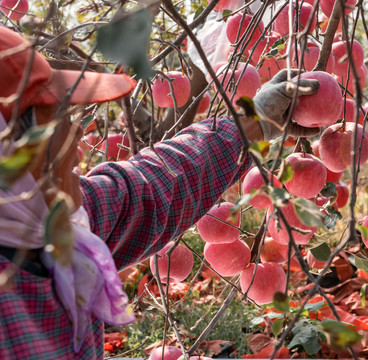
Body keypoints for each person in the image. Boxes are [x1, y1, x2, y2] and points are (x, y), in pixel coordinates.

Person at [0, 26, 319, 359]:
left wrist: (257, 122)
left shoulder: (48, 222)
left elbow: (150, 189)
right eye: (57, 120)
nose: (78, 135)